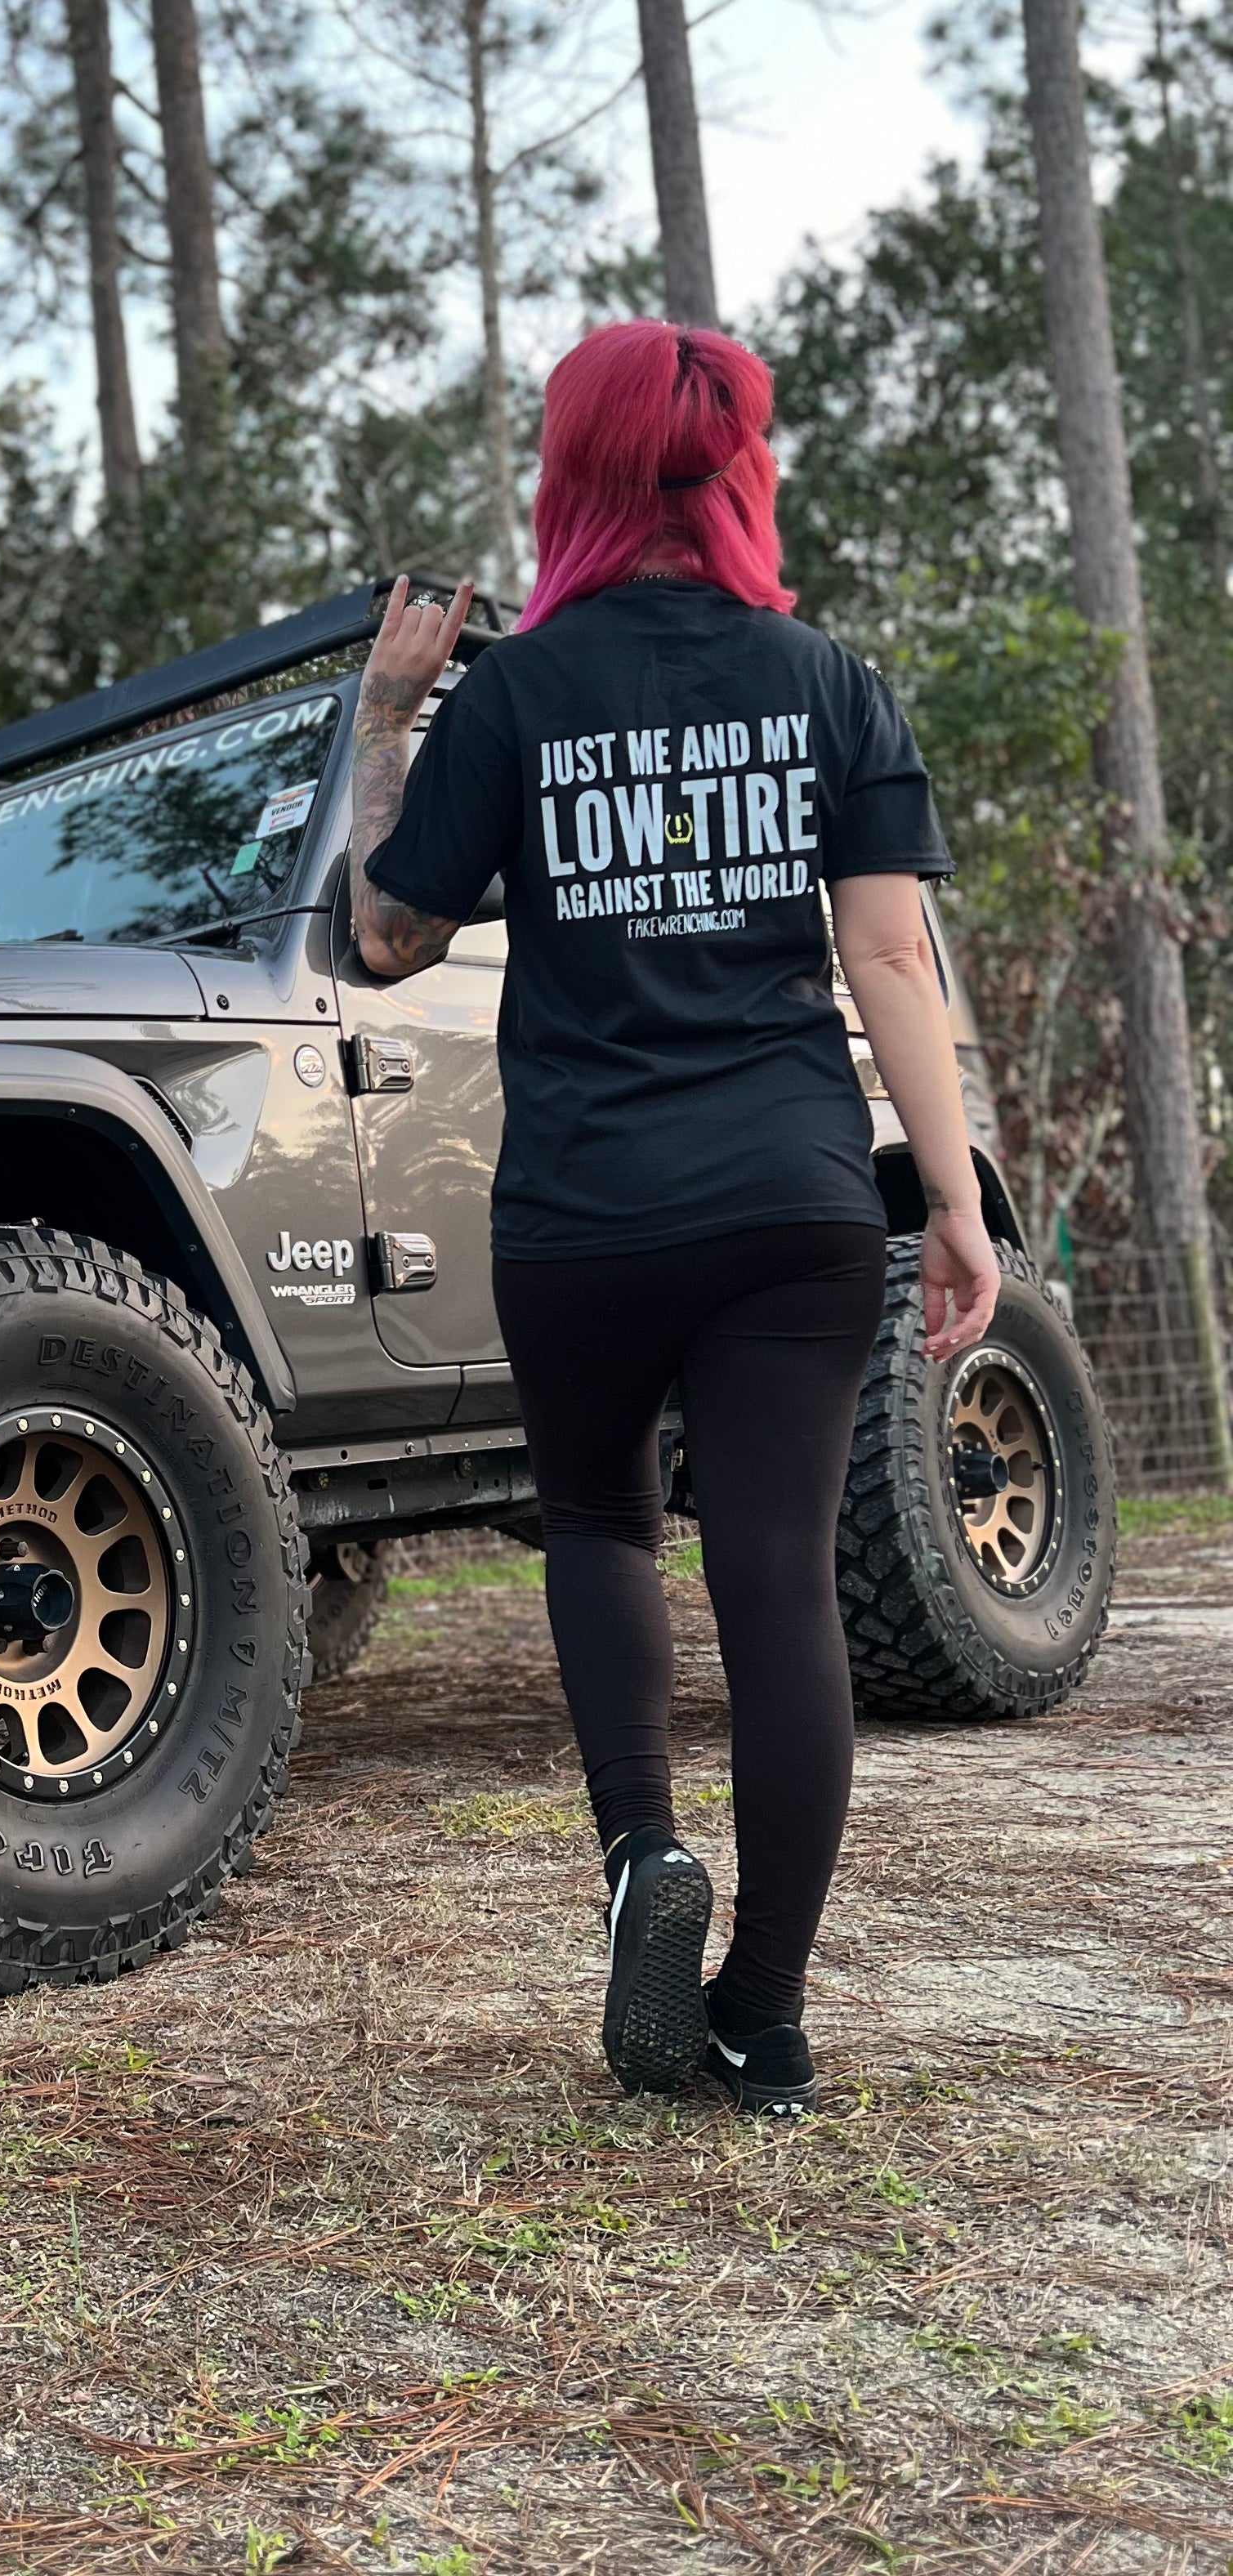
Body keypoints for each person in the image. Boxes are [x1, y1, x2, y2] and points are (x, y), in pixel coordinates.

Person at [350, 320, 997, 2118]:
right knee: (780, 1579)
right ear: (738, 470)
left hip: (582, 1205)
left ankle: (641, 1849)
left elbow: (384, 935)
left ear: (572, 479)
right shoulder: (828, 682)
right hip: (791, 1197)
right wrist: (949, 1198)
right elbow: (886, 954)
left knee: (597, 1523)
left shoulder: (518, 696)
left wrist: (391, 716)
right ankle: (764, 2016)